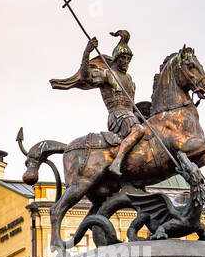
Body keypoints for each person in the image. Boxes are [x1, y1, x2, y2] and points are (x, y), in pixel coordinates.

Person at [49, 30, 139, 176]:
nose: (126, 62)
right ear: (116, 58)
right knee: (139, 131)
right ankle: (117, 162)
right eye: (123, 58)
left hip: (131, 115)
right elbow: (86, 77)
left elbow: (132, 103)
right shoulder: (107, 74)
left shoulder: (129, 79)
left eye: (129, 59)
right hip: (118, 116)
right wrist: (87, 53)